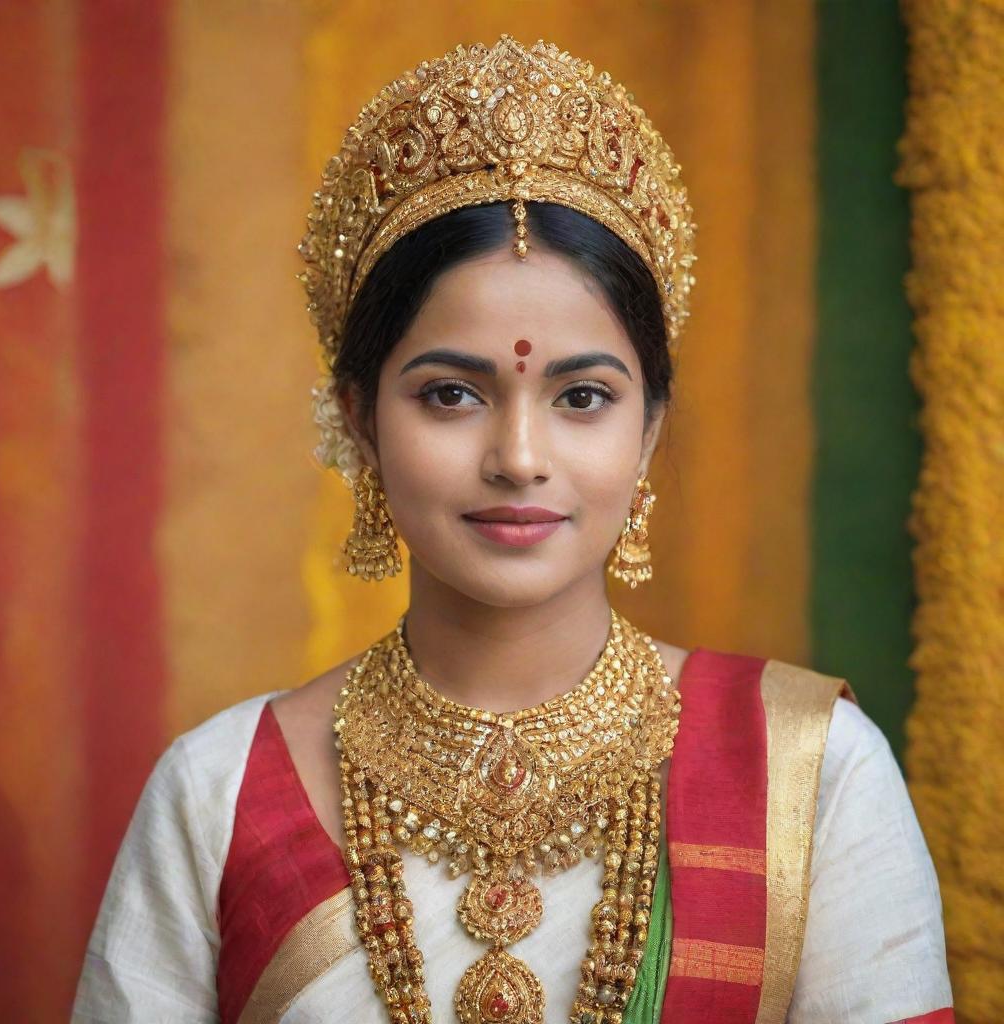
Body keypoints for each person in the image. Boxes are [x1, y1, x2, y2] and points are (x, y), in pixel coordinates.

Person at [71, 35, 954, 1024]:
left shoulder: (811, 771)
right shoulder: (221, 792)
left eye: (581, 396)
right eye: (451, 393)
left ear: (650, 425)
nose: (519, 455)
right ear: (359, 417)